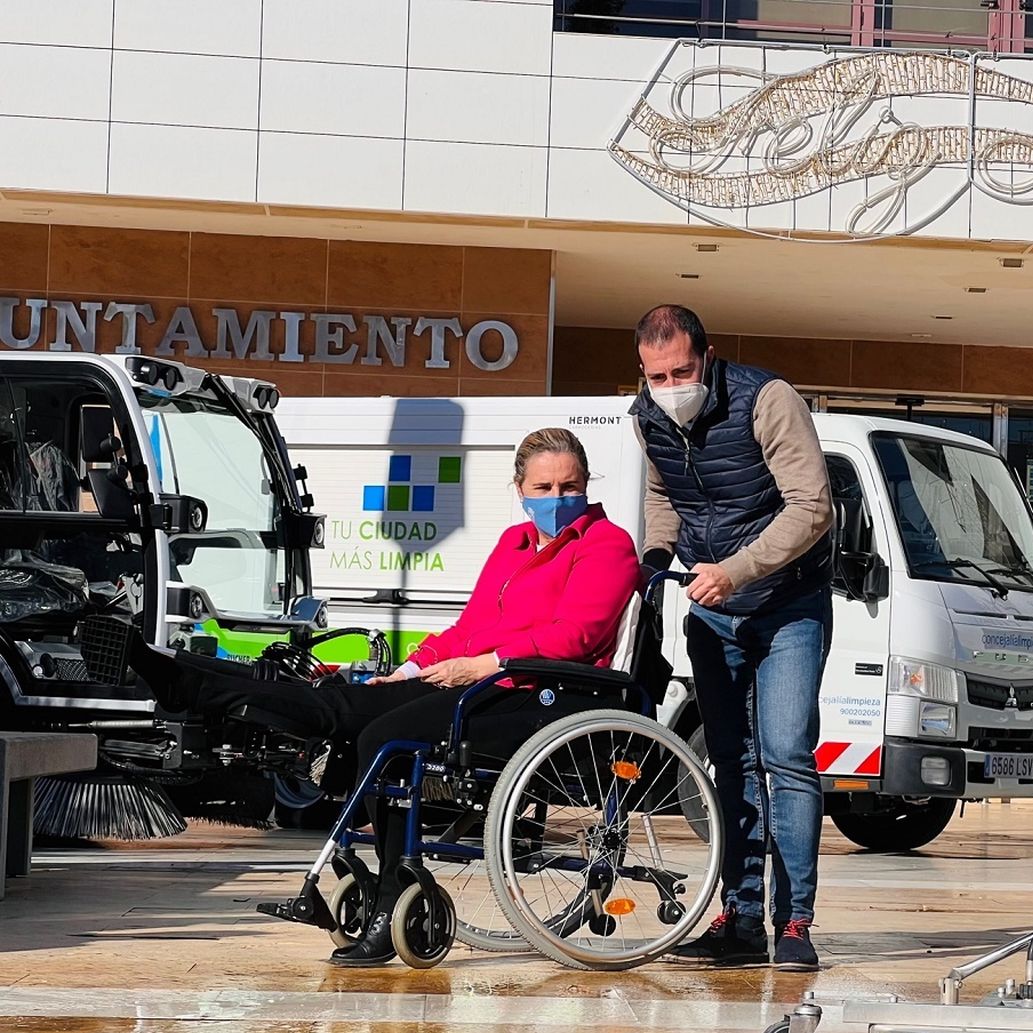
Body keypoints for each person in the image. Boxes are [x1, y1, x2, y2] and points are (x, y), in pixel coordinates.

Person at [104, 429, 640, 967]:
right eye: (543, 486)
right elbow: (469, 628)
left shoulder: (607, 544)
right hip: (480, 683)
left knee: (383, 736)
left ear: (586, 484)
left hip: (541, 693)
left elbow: (578, 634)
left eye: (568, 486)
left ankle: (392, 896)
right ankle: (184, 675)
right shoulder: (512, 544)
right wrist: (409, 670)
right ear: (520, 488)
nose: (557, 498)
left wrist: (482, 664)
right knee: (339, 700)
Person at [630, 304, 834, 971]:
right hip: (712, 613)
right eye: (657, 375)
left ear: (708, 357)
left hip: (787, 606)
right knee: (730, 761)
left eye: (682, 371)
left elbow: (813, 507)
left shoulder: (768, 400)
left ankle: (795, 922)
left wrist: (739, 569)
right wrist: (656, 556)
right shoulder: (648, 415)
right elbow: (664, 495)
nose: (671, 386)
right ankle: (740, 919)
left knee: (786, 755)